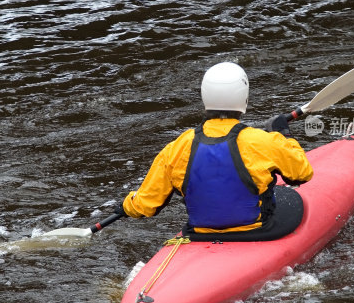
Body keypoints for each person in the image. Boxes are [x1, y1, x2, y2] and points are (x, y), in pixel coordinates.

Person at [119, 61, 313, 239]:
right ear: (244, 98)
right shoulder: (263, 141)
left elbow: (145, 206)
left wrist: (127, 205)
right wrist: (284, 135)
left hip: (198, 234)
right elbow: (302, 174)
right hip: (257, 231)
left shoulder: (177, 146)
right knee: (290, 198)